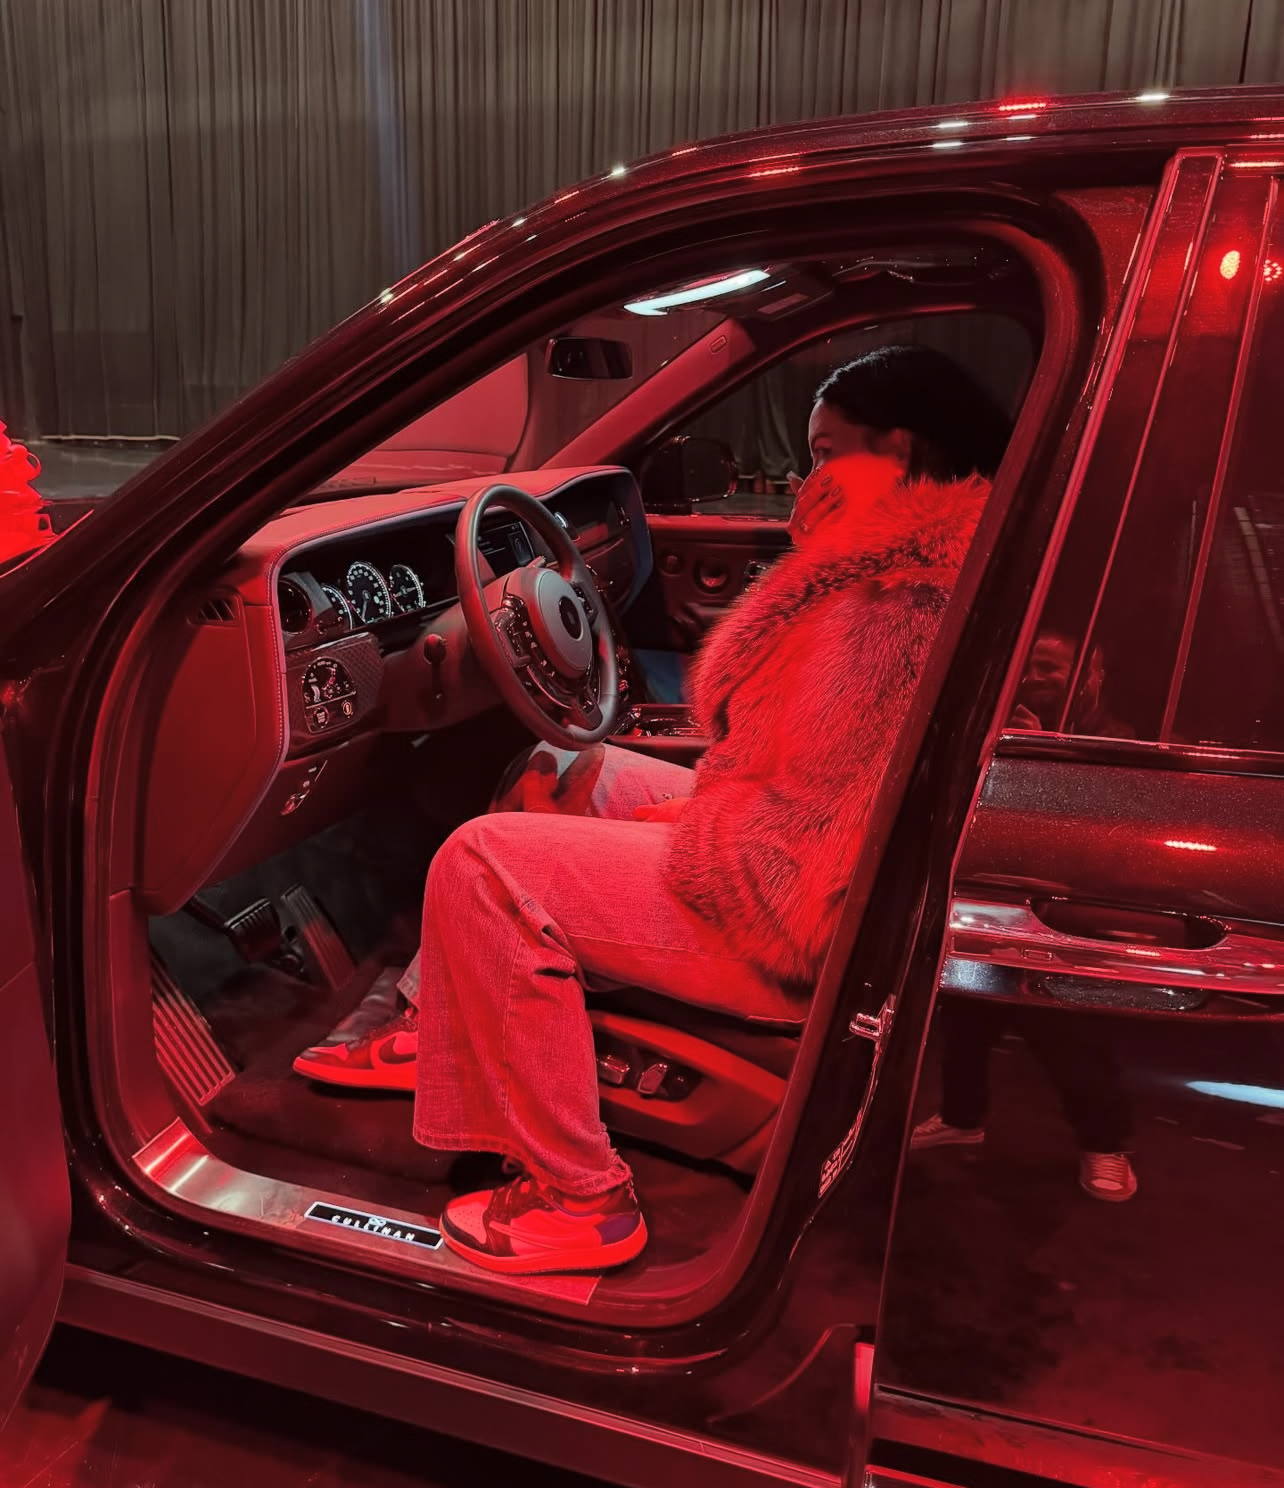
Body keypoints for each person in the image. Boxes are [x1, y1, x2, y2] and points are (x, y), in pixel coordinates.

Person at [294, 344, 1011, 1274]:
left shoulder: (900, 602)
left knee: (483, 863)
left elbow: (809, 847)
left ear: (901, 449)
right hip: (795, 852)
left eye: (826, 455)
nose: (805, 484)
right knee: (569, 765)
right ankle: (440, 1026)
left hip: (792, 915)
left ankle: (577, 1197)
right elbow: (805, 780)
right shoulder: (903, 569)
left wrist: (683, 829)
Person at [910, 628, 1138, 1201]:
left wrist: (1040, 756)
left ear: (1091, 676)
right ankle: (962, 1119)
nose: (1036, 679)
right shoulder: (998, 726)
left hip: (1066, 917)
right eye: (1028, 667)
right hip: (993, 902)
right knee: (966, 1023)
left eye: (1051, 668)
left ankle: (1104, 1146)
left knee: (1073, 1041)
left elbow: (1107, 832)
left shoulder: (1115, 738)